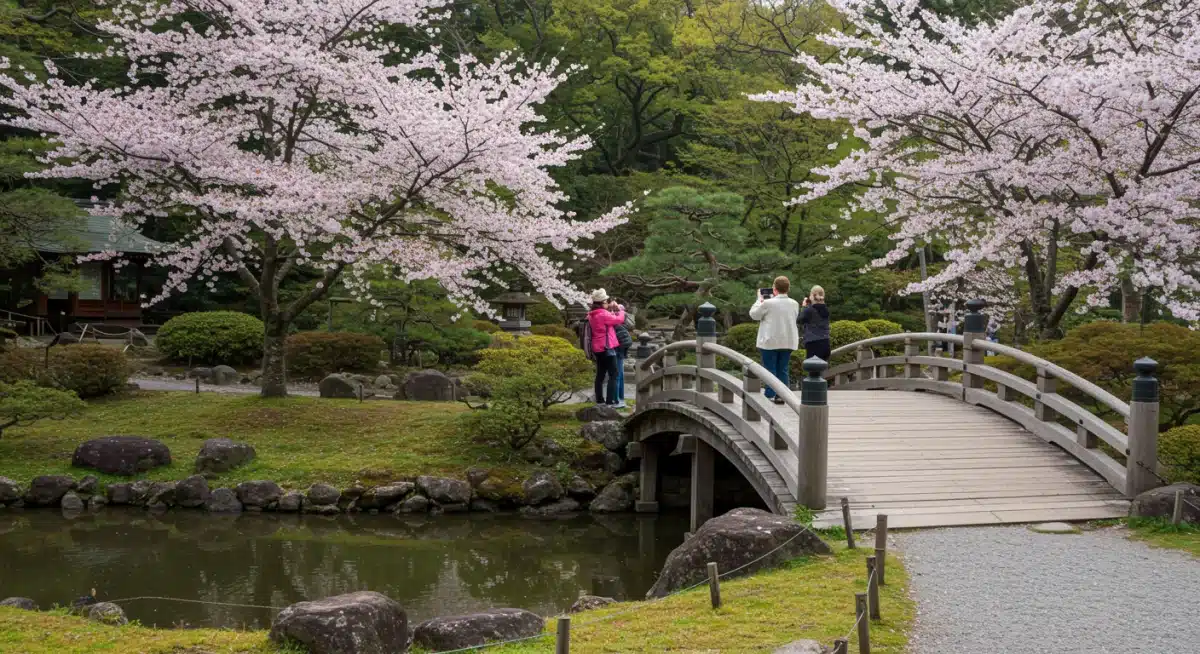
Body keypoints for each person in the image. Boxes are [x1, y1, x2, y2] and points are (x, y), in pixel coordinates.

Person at [749, 276, 800, 404]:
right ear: (788, 288)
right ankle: (782, 395)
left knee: (770, 369)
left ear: (774, 288)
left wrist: (758, 300)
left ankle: (770, 394)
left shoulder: (768, 303)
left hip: (770, 340)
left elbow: (754, 314)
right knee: (783, 369)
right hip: (788, 340)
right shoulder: (795, 303)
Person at [587, 289, 626, 407]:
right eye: (606, 301)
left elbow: (608, 319)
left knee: (600, 375)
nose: (607, 303)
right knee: (614, 374)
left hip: (597, 348)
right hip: (607, 347)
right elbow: (619, 319)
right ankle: (610, 401)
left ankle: (599, 400)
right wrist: (621, 310)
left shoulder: (591, 314)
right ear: (602, 303)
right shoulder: (603, 314)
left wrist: (611, 310)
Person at [609, 299, 635, 409]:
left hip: (616, 347)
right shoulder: (622, 316)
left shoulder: (614, 318)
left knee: (616, 374)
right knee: (620, 374)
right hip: (621, 347)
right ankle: (620, 398)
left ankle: (617, 400)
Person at [800, 285, 831, 361]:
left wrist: (804, 307)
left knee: (813, 371)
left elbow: (799, 320)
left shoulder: (809, 310)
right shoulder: (825, 309)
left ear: (812, 296)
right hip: (826, 343)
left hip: (814, 345)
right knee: (822, 371)